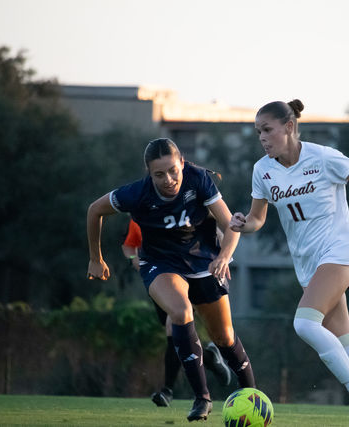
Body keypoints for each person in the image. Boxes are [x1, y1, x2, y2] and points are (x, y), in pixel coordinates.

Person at [229, 100, 349, 427]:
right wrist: (243, 223)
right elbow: (258, 218)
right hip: (308, 265)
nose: (261, 137)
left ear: (288, 127)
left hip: (339, 253)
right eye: (258, 131)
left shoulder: (323, 157)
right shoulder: (263, 169)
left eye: (267, 130)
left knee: (303, 324)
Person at [87, 138, 255, 422]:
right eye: (159, 174)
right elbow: (95, 210)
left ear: (182, 164)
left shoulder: (199, 180)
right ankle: (202, 398)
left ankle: (252, 395)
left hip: (205, 261)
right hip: (161, 263)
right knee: (180, 311)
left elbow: (232, 225)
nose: (168, 179)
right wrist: (95, 257)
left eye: (173, 171)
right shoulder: (136, 194)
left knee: (224, 337)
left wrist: (225, 256)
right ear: (148, 174)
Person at [121, 218, 233, 408]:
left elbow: (219, 229)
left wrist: (223, 257)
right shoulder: (139, 216)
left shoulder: (186, 209)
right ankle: (209, 357)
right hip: (160, 280)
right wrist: (134, 260)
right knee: (179, 337)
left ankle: (168, 390)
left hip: (190, 276)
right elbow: (129, 246)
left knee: (174, 327)